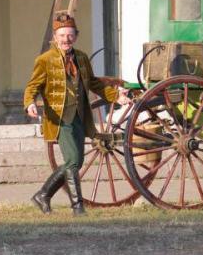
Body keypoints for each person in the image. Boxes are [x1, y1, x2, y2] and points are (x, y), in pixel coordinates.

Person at [24, 13, 128, 215]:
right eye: (62, 35)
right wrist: (30, 103)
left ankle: (43, 195)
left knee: (76, 162)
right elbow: (33, 86)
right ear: (54, 37)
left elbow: (94, 84)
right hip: (59, 118)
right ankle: (77, 207)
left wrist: (115, 96)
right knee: (72, 160)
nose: (66, 39)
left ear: (76, 36)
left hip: (80, 116)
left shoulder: (81, 57)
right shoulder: (44, 60)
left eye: (70, 35)